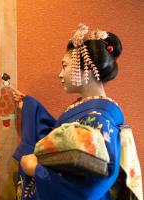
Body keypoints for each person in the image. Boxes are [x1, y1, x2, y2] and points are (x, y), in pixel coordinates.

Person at [13, 24, 142, 200]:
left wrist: (37, 170)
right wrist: (30, 108)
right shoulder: (89, 109)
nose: (60, 74)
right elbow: (59, 140)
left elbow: (92, 184)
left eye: (64, 66)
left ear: (87, 70)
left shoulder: (101, 118)